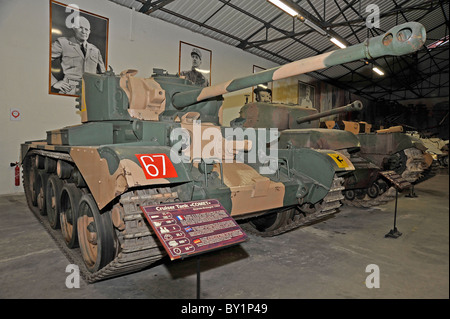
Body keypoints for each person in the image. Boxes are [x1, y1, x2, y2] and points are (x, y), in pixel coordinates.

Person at [51, 16, 105, 95]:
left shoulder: (95, 50)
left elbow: (103, 74)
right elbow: (43, 59)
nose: (84, 31)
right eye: (80, 28)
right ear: (74, 28)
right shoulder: (63, 43)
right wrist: (54, 83)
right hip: (70, 90)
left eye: (86, 29)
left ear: (89, 31)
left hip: (91, 92)